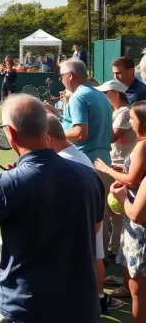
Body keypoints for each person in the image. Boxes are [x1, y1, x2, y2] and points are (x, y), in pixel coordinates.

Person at [0, 94, 104, 323]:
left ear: (10, 132)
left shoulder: (5, 184)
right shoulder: (87, 175)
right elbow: (95, 227)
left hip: (24, 309)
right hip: (81, 307)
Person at [46, 114, 123, 314]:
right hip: (90, 215)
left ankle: (95, 301)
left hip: (85, 220)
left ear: (47, 138)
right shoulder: (72, 155)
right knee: (96, 256)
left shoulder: (65, 162)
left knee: (92, 258)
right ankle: (98, 300)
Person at [61, 58, 115, 252]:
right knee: (100, 219)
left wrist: (53, 134)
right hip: (103, 164)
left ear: (70, 75)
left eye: (61, 76)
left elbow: (80, 133)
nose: (61, 80)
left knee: (83, 221)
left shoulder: (78, 96)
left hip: (85, 166)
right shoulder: (101, 96)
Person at [92, 79, 138, 265]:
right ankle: (112, 251)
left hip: (118, 166)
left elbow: (110, 136)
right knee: (111, 212)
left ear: (116, 93)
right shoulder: (117, 111)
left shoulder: (125, 112)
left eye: (105, 93)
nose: (102, 96)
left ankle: (110, 253)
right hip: (115, 165)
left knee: (111, 212)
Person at [109, 102, 146, 323]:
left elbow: (136, 215)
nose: (129, 123)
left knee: (138, 294)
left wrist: (123, 197)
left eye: (132, 118)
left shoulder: (143, 145)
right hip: (134, 234)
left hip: (140, 235)